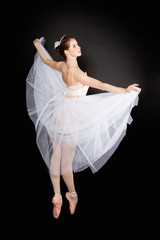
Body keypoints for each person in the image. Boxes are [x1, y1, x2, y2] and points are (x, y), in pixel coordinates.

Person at [26, 35, 141, 219]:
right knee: (66, 161)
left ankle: (56, 194)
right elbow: (101, 85)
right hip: (71, 117)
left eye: (77, 44)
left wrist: (37, 45)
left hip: (59, 113)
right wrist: (125, 90)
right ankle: (72, 195)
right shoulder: (77, 73)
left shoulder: (62, 66)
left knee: (56, 154)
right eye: (74, 45)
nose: (79, 47)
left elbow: (46, 61)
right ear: (67, 52)